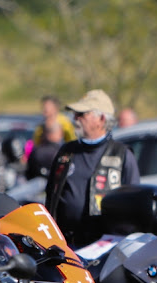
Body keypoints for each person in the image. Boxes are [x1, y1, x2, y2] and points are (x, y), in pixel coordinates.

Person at [45, 89, 140, 247]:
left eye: (81, 114)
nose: (75, 118)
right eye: (75, 114)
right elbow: (51, 197)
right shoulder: (66, 153)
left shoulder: (121, 155)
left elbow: (134, 206)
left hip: (105, 248)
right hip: (66, 246)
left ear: (101, 119)